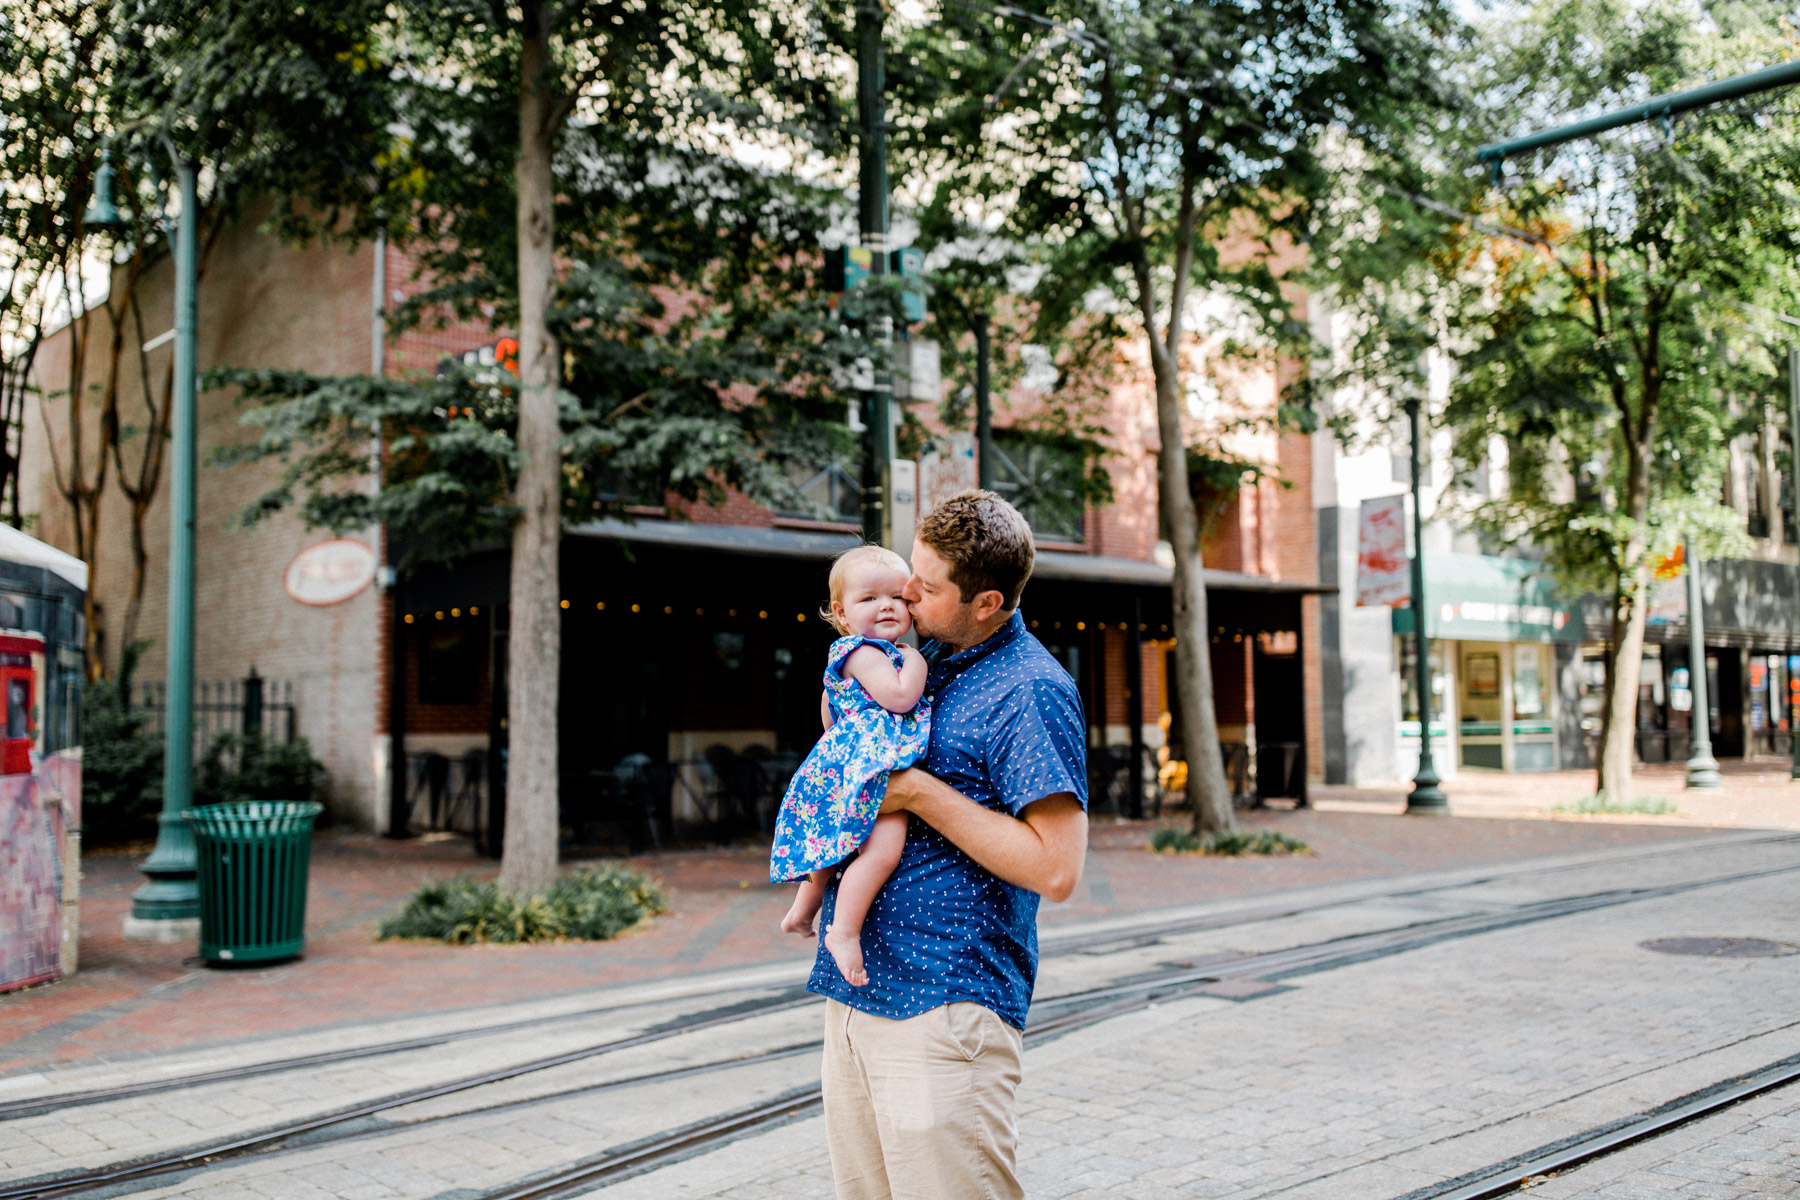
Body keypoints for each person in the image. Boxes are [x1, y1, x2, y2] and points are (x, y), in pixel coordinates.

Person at [810, 489, 1089, 1200]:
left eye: (926, 586)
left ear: (988, 601)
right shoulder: (917, 652)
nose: (906, 591)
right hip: (857, 995)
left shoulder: (1031, 690)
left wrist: (917, 794)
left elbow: (1057, 869)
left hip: (944, 1005)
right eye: (911, 568)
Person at [770, 544, 932, 987]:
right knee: (881, 851)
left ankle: (803, 910)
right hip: (873, 769)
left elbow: (828, 714)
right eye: (869, 599)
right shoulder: (865, 653)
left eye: (898, 597)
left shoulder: (852, 657)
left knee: (831, 843)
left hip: (850, 760)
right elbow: (900, 697)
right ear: (842, 614)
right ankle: (843, 930)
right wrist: (917, 662)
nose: (887, 606)